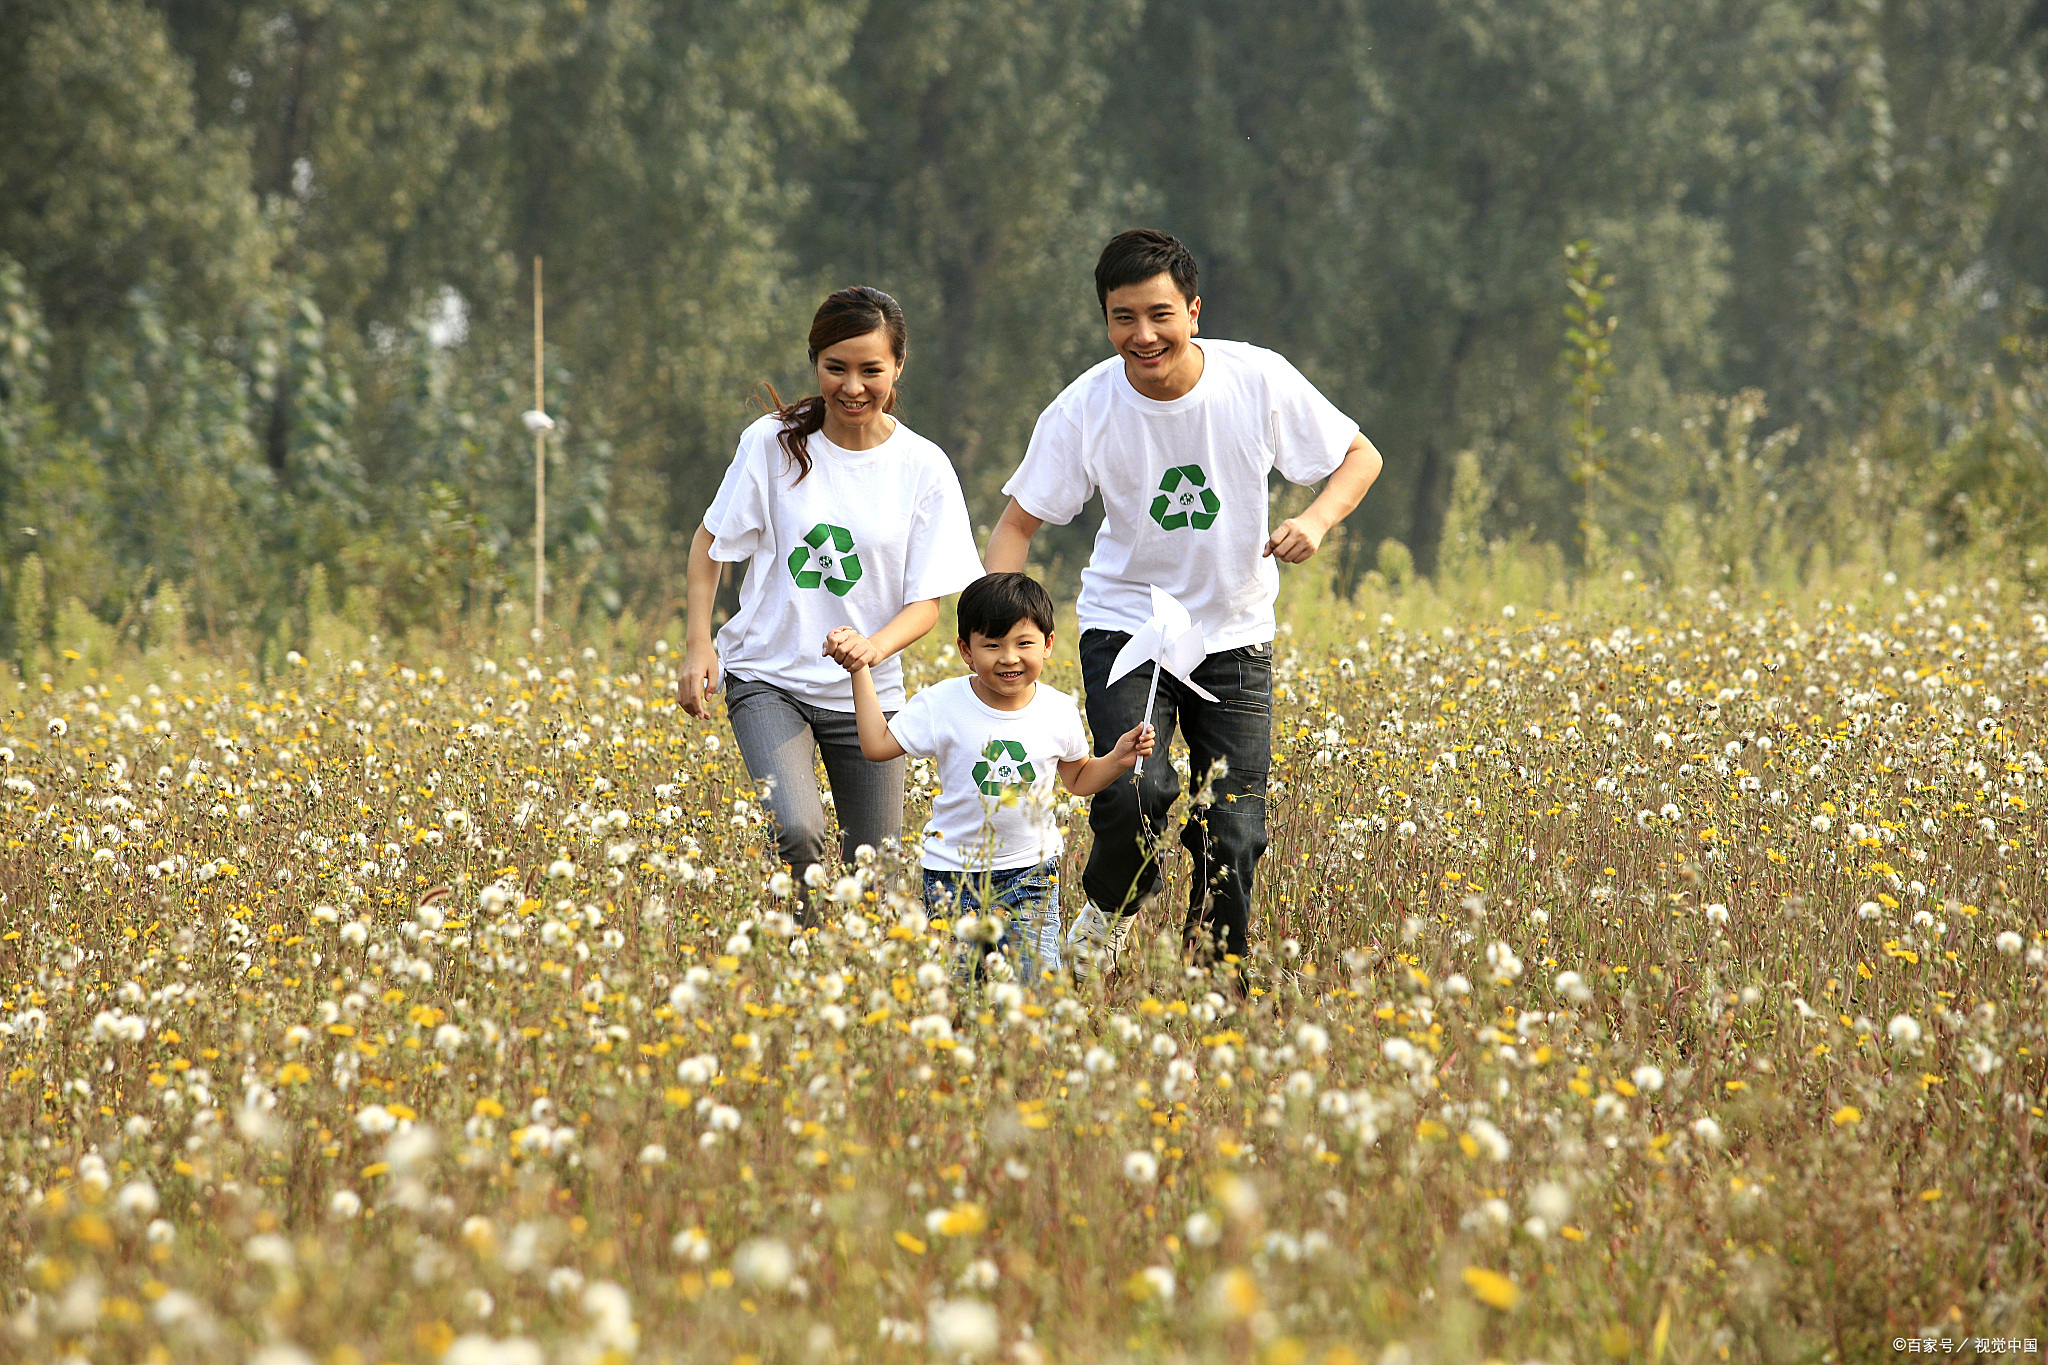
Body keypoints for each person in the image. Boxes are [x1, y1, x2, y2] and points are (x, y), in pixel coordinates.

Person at [983, 229, 1384, 981]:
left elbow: (1361, 455)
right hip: (1128, 629)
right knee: (1137, 788)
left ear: (1194, 311)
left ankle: (1214, 981)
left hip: (1234, 634)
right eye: (1123, 317)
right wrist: (994, 632)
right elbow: (1016, 525)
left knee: (1234, 831)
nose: (1143, 335)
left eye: (1160, 314)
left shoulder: (1256, 380)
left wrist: (1316, 520)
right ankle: (1109, 910)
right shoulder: (1085, 407)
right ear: (1105, 320)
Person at [679, 286, 982, 910]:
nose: (852, 387)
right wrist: (698, 644)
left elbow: (927, 603)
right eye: (835, 367)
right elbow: (710, 543)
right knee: (798, 830)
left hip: (868, 692)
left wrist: (873, 649)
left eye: (871, 370)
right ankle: (805, 954)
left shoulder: (924, 467)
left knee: (876, 875)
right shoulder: (771, 443)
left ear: (898, 366)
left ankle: (845, 964)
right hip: (769, 677)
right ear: (814, 362)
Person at [842, 573, 1154, 981]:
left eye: (1024, 644)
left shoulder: (1058, 709)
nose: (1009, 658)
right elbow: (877, 745)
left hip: (1031, 875)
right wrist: (860, 670)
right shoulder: (942, 703)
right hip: (952, 876)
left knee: (1032, 988)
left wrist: (1116, 759)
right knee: (959, 989)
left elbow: (1078, 779)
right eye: (992, 645)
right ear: (966, 651)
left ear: (1048, 644)